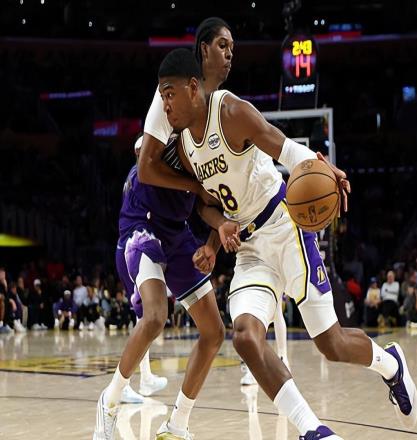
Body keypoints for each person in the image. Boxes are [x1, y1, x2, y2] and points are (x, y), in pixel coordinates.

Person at [157, 48, 417, 439]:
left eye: (169, 93)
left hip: (285, 227)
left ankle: (391, 364)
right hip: (250, 248)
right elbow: (205, 204)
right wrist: (218, 231)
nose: (165, 104)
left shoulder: (230, 111)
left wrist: (322, 167)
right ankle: (313, 430)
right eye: (161, 96)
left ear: (193, 88)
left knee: (331, 344)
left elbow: (281, 145)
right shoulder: (183, 148)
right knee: (245, 337)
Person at [94, 17, 241, 440]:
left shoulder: (220, 112)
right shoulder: (171, 97)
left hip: (176, 224)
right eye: (223, 46)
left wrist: (214, 240)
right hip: (143, 216)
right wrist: (194, 184)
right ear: (203, 50)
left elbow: (214, 203)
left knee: (214, 331)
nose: (230, 55)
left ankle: (177, 424)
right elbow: (145, 167)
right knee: (156, 315)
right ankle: (109, 400)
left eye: (233, 48)